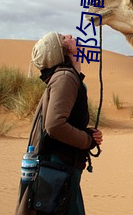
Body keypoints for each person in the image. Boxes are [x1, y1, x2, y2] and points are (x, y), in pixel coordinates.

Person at [17, 32, 103, 215]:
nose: (70, 35)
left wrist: (85, 132)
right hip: (59, 169)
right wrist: (86, 140)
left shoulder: (67, 75)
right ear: (59, 51)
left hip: (62, 168)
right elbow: (55, 125)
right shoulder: (65, 77)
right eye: (64, 38)